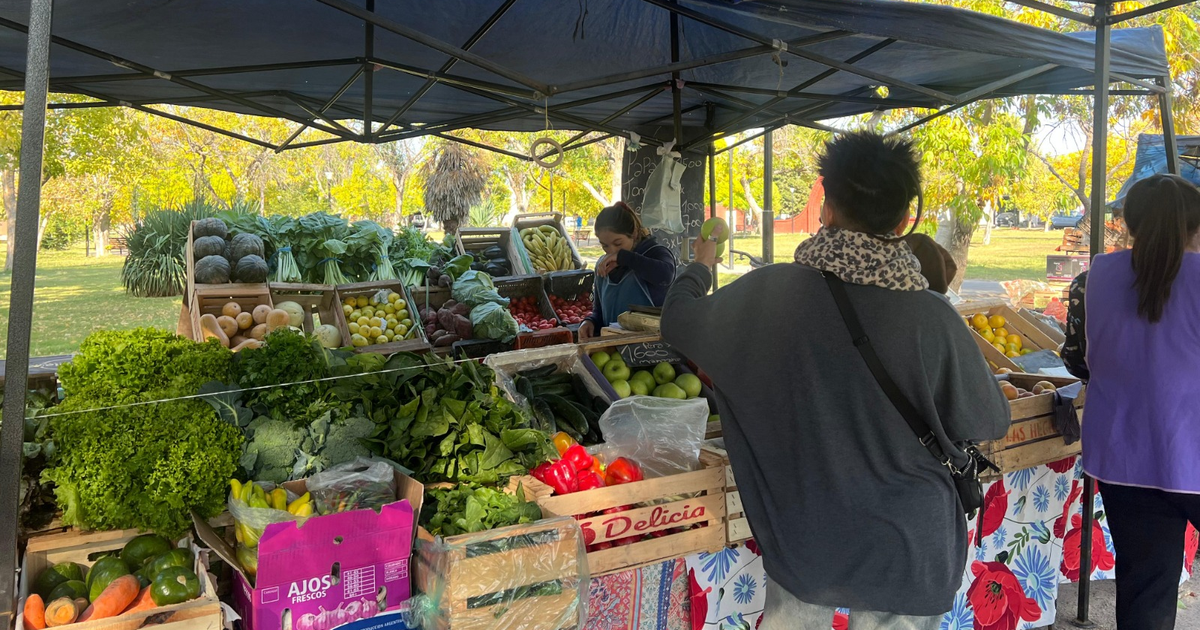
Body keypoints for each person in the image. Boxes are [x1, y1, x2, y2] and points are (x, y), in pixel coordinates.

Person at [660, 131, 1009, 628]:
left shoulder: (766, 296)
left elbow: (676, 321)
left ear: (825, 207)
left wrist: (700, 264)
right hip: (909, 550)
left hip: (807, 545)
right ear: (904, 219)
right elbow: (988, 418)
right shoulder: (932, 316)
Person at [1071, 174, 1200, 630]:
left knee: (1146, 589)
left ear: (1126, 224)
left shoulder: (1094, 278)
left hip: (1124, 455)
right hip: (1192, 451)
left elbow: (1080, 362)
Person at [578, 201, 677, 339]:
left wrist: (625, 258)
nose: (611, 251)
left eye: (618, 243)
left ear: (634, 233)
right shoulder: (603, 265)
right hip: (613, 349)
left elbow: (666, 275)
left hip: (651, 349)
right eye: (605, 246)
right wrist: (590, 321)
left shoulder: (654, 253)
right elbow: (599, 312)